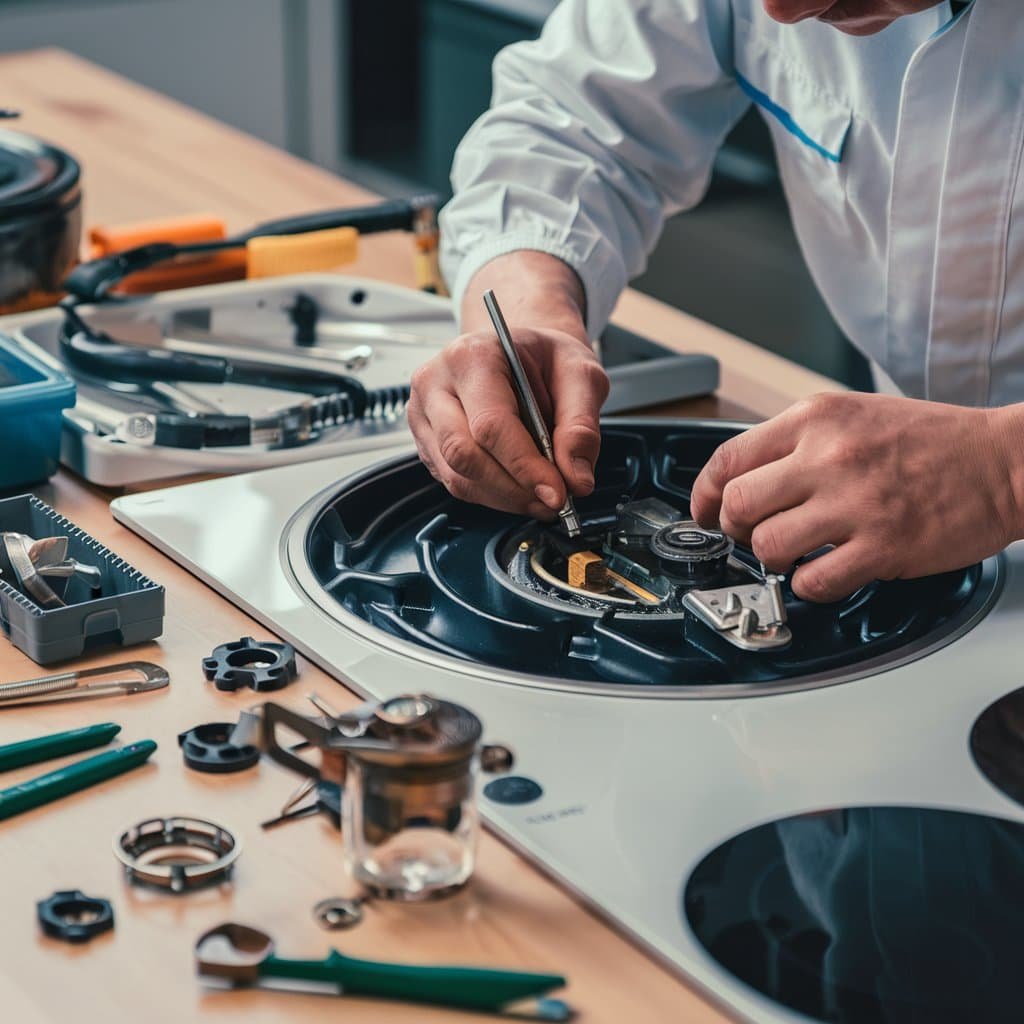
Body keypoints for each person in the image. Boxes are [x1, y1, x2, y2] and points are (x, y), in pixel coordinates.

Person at [407, 0, 1024, 603]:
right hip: (883, 514)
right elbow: (573, 123)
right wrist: (531, 312)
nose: (779, 12)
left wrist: (1003, 474)